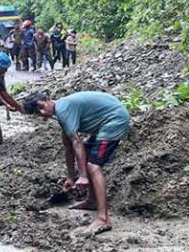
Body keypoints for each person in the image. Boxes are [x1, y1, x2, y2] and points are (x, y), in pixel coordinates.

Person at [22, 91, 130, 235]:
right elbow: (68, 146)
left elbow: (76, 141)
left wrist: (84, 176)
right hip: (105, 122)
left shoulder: (63, 109)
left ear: (48, 99)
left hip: (115, 120)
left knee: (93, 166)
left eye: (42, 107)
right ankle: (92, 201)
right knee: (86, 154)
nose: (42, 112)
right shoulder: (61, 112)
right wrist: (71, 177)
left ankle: (103, 219)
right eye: (37, 112)